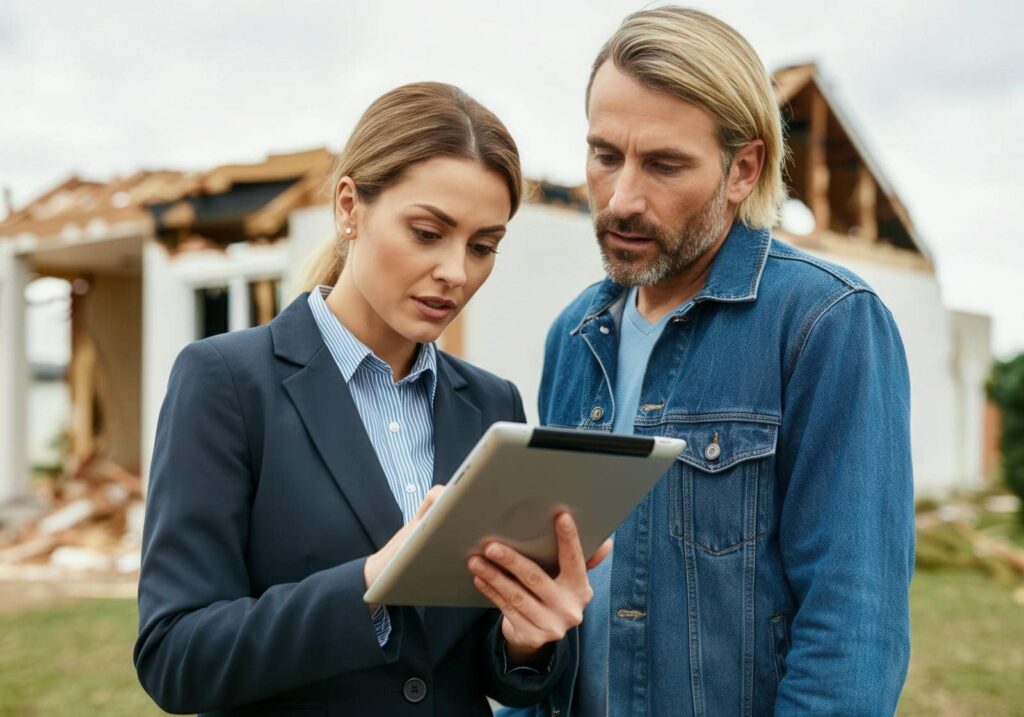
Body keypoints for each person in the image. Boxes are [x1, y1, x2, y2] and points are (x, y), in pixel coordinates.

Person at [134, 82, 605, 716]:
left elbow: (493, 672)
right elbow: (176, 658)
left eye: (483, 246)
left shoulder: (493, 405)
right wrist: (371, 581)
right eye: (427, 232)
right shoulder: (225, 383)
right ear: (349, 206)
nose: (456, 272)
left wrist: (526, 639)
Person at [519, 7, 915, 716]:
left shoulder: (827, 324)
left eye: (665, 164)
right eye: (605, 155)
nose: (622, 198)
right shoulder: (571, 337)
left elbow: (853, 628)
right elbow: (548, 603)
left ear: (744, 168)